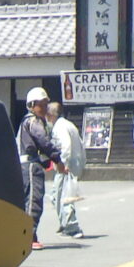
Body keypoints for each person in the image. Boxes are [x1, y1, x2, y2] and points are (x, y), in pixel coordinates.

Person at [17, 88, 59, 249]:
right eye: (41, 105)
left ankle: (27, 235)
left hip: (29, 164)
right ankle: (29, 236)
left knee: (29, 200)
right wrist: (57, 158)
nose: (44, 108)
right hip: (30, 166)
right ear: (31, 105)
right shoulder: (32, 121)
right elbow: (44, 142)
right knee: (33, 200)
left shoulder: (31, 121)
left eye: (46, 105)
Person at [46, 99, 84, 235]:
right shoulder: (67, 124)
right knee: (56, 195)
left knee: (64, 197)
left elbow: (66, 146)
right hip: (73, 164)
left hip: (66, 166)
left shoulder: (60, 127)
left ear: (51, 115)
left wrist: (64, 163)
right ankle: (64, 222)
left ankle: (72, 227)